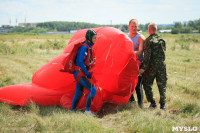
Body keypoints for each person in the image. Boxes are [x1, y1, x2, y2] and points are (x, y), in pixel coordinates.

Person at [139, 23, 167, 110]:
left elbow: (147, 56)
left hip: (151, 67)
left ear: (149, 30)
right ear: (156, 30)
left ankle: (153, 103)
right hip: (161, 66)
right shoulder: (162, 40)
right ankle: (163, 105)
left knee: (147, 84)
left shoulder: (148, 41)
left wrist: (143, 67)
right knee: (162, 86)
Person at [71, 29, 97, 116]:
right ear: (89, 38)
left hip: (79, 73)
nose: (95, 40)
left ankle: (72, 111)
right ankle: (87, 111)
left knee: (78, 93)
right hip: (79, 73)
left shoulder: (88, 47)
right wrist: (87, 73)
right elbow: (80, 61)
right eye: (94, 38)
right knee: (93, 90)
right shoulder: (84, 47)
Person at [128, 19, 145, 108]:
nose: (134, 28)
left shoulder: (140, 37)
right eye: (132, 26)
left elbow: (140, 51)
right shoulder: (126, 37)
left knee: (138, 85)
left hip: (139, 64)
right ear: (129, 26)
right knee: (128, 83)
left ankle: (140, 105)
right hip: (130, 64)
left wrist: (129, 53)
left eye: (136, 26)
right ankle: (132, 100)